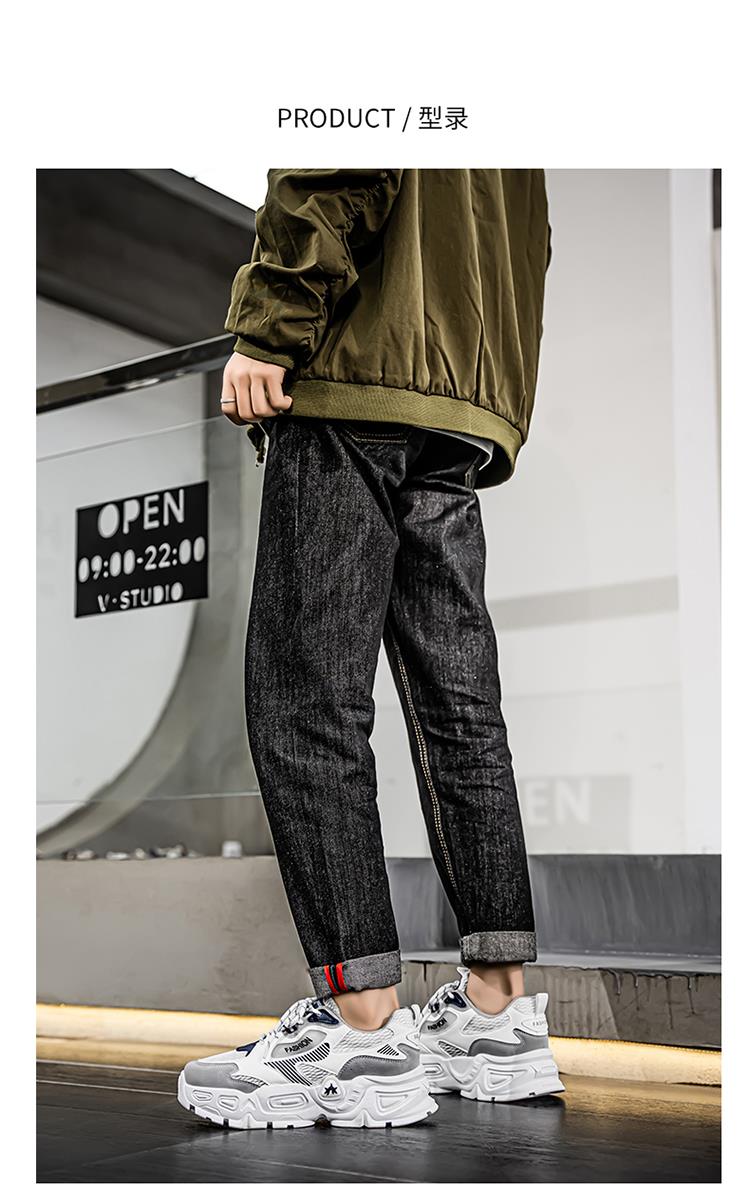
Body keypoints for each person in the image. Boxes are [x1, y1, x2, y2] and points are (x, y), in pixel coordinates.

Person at [178, 170, 562, 1130]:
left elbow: (333, 166)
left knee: (308, 701)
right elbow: (525, 240)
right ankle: (498, 1015)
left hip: (358, 371)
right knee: (459, 710)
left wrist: (269, 327)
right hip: (463, 403)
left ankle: (361, 1032)